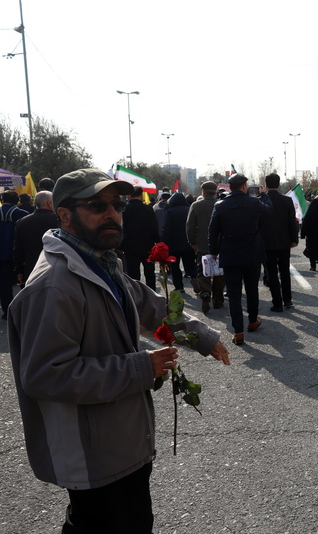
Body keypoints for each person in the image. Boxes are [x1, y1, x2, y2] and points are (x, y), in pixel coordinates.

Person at [7, 168, 230, 533]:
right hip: (93, 456)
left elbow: (151, 306)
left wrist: (201, 336)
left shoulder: (99, 262)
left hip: (119, 443)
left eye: (118, 204)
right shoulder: (55, 286)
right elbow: (46, 375)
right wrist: (142, 367)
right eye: (97, 206)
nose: (112, 214)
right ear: (64, 215)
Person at [209, 173, 271, 346]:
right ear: (244, 186)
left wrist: (213, 251)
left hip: (230, 254)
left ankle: (238, 332)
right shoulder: (254, 202)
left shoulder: (220, 205)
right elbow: (268, 211)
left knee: (234, 295)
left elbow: (212, 230)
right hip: (252, 253)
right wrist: (264, 194)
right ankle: (252, 320)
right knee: (252, 290)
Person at [259, 173, 299, 311]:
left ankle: (277, 303)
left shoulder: (261, 200)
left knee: (271, 273)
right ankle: (288, 300)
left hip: (267, 242)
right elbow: (292, 222)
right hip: (284, 241)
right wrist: (294, 239)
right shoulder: (287, 200)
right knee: (284, 271)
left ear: (266, 184)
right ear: (278, 183)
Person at [187, 181, 226, 313]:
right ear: (215, 192)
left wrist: (192, 241)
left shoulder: (196, 205)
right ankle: (218, 300)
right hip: (220, 244)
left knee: (203, 271)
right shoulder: (221, 205)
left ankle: (205, 293)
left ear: (203, 192)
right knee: (219, 273)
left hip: (202, 244)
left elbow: (190, 226)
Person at [13, 190, 58, 286]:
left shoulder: (22, 221)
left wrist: (19, 271)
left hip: (30, 269)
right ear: (50, 203)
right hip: (55, 268)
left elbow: (18, 249)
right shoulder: (59, 220)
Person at [120, 186, 160, 290]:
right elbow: (154, 228)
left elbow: (121, 228)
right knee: (150, 274)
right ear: (141, 195)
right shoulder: (148, 209)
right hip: (147, 246)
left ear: (129, 196)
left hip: (130, 246)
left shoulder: (124, 210)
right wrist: (158, 242)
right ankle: (152, 296)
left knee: (133, 275)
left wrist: (120, 245)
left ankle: (136, 298)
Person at [0, 191, 29, 319]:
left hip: (1, 256)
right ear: (17, 200)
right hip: (18, 255)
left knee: (4, 285)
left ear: (2, 199)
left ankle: (7, 312)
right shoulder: (23, 215)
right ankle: (23, 311)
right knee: (24, 282)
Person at [162, 192, 197, 292]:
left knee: (175, 267)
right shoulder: (189, 209)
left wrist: (164, 242)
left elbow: (166, 229)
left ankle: (179, 287)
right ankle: (195, 280)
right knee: (190, 265)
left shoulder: (169, 211)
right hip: (188, 243)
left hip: (174, 244)